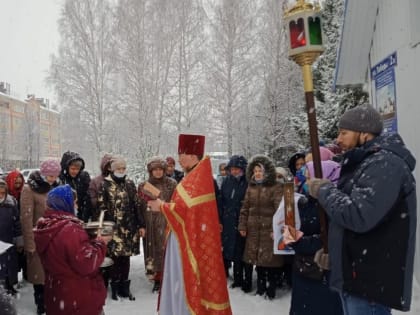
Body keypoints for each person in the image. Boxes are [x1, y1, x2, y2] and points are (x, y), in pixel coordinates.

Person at [307, 105, 416, 314]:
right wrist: (336, 254)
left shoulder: (385, 164)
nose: (338, 139)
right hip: (358, 275)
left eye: (344, 133)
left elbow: (358, 215)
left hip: (370, 282)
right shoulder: (366, 162)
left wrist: (324, 191)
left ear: (364, 133)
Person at [148, 134, 232, 315]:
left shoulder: (198, 178)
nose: (179, 158)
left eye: (182, 154)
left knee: (185, 280)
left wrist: (161, 206)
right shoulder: (194, 175)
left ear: (193, 155)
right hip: (184, 237)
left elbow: (185, 211)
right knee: (180, 279)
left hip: (189, 241)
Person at [34, 185, 111, 315]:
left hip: (57, 294)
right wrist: (101, 242)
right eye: (74, 202)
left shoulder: (47, 225)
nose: (76, 206)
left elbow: (64, 254)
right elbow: (87, 263)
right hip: (79, 297)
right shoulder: (70, 229)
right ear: (65, 204)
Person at [285, 159, 343, 315]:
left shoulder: (335, 205)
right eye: (307, 177)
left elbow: (330, 239)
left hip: (324, 274)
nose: (307, 181)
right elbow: (290, 230)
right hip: (302, 270)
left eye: (311, 177)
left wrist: (300, 241)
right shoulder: (303, 201)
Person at [97, 157, 146, 301]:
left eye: (123, 168)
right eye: (118, 168)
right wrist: (106, 226)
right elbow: (101, 208)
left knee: (125, 258)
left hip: (129, 228)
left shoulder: (130, 184)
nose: (121, 171)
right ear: (112, 169)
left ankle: (125, 287)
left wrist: (141, 225)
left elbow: (137, 206)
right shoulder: (105, 185)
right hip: (113, 229)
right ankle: (115, 287)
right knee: (114, 258)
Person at [238, 155, 284, 299]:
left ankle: (271, 289)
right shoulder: (250, 187)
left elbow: (280, 210)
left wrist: (275, 230)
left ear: (267, 171)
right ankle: (260, 287)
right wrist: (242, 225)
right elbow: (245, 208)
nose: (257, 173)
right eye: (255, 170)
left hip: (268, 229)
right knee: (257, 259)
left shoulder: (276, 187)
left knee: (269, 261)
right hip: (253, 229)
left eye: (260, 170)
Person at [20, 159, 61, 315]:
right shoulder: (30, 189)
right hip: (39, 239)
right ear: (43, 173)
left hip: (56, 239)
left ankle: (53, 301)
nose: (52, 179)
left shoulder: (57, 186)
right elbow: (26, 218)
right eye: (49, 175)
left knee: (54, 274)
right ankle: (41, 304)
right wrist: (30, 244)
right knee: (40, 277)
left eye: (55, 175)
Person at [138, 156, 177, 293]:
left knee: (167, 250)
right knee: (152, 252)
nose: (158, 172)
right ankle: (156, 279)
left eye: (161, 169)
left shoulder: (172, 184)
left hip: (167, 222)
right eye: (155, 170)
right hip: (150, 224)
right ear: (151, 171)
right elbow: (140, 207)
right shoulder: (144, 186)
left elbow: (176, 204)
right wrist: (142, 224)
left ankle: (168, 278)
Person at [219, 155, 248, 289]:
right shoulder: (226, 181)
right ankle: (227, 274)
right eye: (232, 169)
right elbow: (221, 200)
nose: (235, 171)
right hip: (227, 219)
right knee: (227, 247)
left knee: (240, 250)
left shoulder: (247, 182)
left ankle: (240, 278)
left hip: (242, 219)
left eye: (237, 169)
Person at [87, 153, 113, 289]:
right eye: (108, 165)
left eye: (111, 165)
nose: (110, 168)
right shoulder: (96, 181)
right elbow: (92, 200)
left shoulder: (116, 180)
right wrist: (104, 202)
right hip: (101, 220)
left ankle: (112, 278)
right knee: (102, 250)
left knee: (113, 251)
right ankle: (102, 279)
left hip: (115, 221)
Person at [0, 179, 23, 296]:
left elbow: (17, 222)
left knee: (10, 265)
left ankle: (10, 285)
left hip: (9, 238)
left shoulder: (11, 202)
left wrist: (19, 240)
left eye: (2, 190)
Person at [5, 170, 27, 281]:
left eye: (20, 183)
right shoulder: (5, 196)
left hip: (20, 228)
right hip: (8, 230)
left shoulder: (23, 194)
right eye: (16, 183)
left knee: (20, 256)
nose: (18, 186)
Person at [59, 151, 91, 222]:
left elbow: (87, 198)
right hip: (64, 216)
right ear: (66, 167)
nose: (75, 171)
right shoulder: (61, 179)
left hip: (81, 215)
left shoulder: (83, 178)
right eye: (73, 169)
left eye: (77, 169)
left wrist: (84, 216)